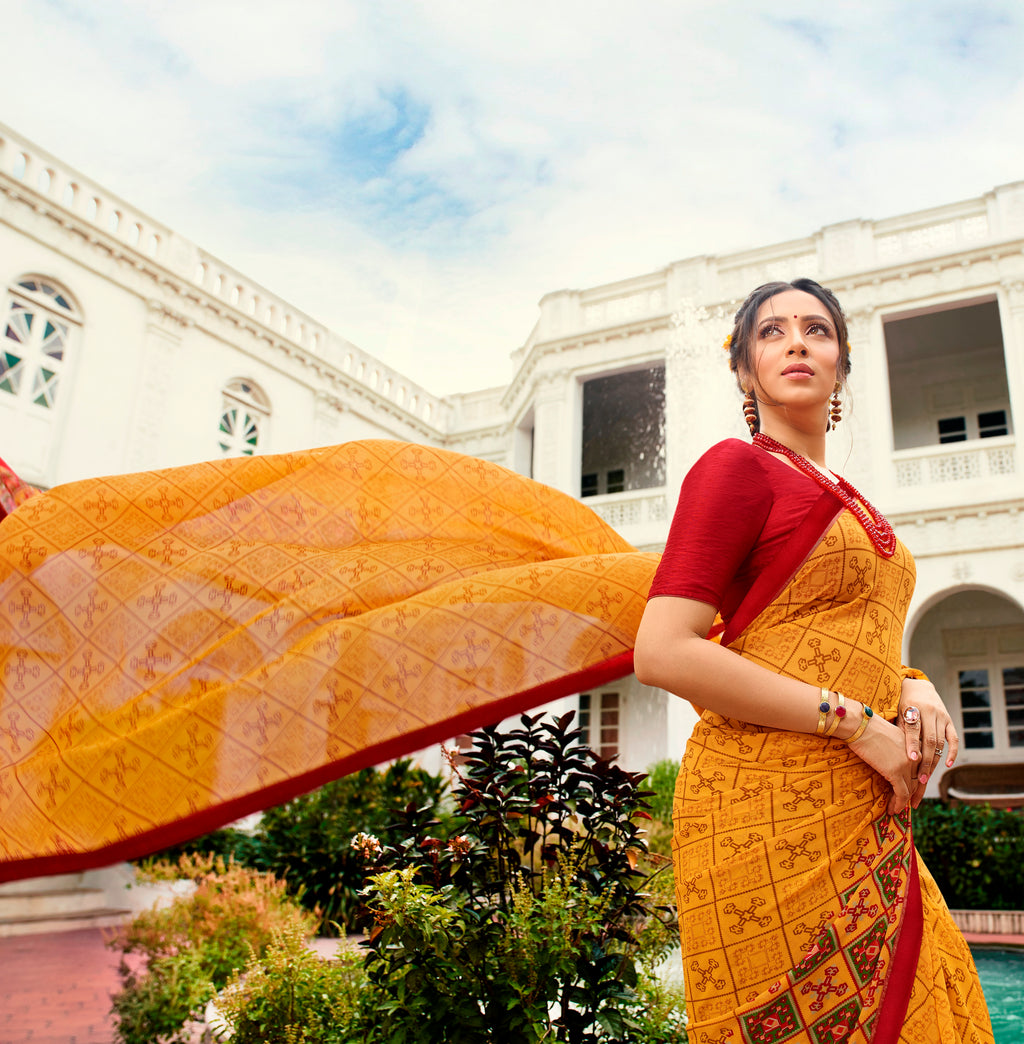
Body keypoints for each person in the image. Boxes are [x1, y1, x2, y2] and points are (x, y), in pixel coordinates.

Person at [634, 279, 993, 1043]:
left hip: (861, 805)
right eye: (772, 332)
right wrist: (856, 722)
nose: (797, 342)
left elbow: (830, 628)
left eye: (817, 330)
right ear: (742, 370)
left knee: (936, 1007)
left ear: (841, 364)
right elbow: (663, 650)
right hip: (760, 807)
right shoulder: (736, 468)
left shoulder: (851, 497)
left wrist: (909, 680)